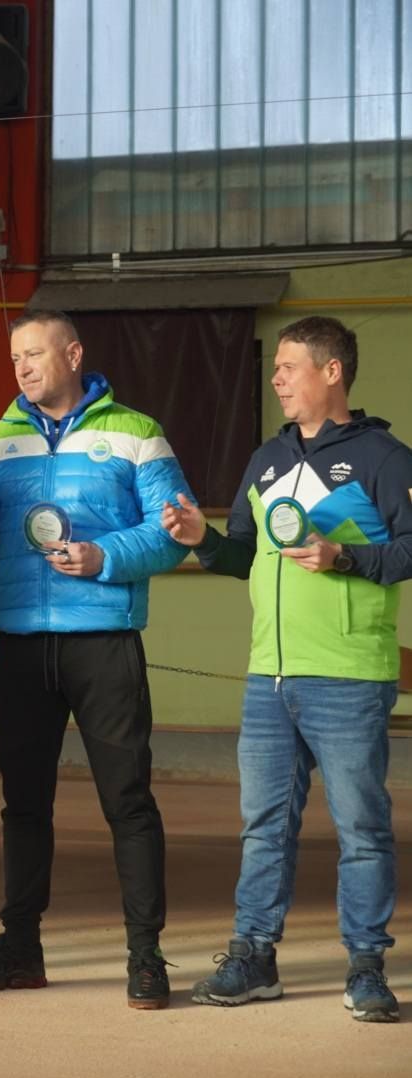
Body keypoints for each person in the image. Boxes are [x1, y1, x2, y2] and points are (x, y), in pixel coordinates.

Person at [165, 316, 411, 1024]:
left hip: (348, 674)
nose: (276, 379)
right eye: (275, 368)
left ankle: (366, 967)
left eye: (289, 366)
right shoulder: (266, 460)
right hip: (268, 678)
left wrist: (346, 556)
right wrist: (202, 540)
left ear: (332, 372)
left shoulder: (384, 457)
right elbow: (245, 555)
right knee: (263, 826)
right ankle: (254, 957)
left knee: (361, 828)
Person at [0, 309, 190, 1010]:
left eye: (35, 354)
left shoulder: (137, 432)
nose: (22, 367)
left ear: (74, 354)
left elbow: (173, 533)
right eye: (14, 357)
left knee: (128, 801)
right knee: (23, 804)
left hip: (104, 641)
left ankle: (146, 955)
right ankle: (20, 946)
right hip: (20, 645)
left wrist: (103, 556)